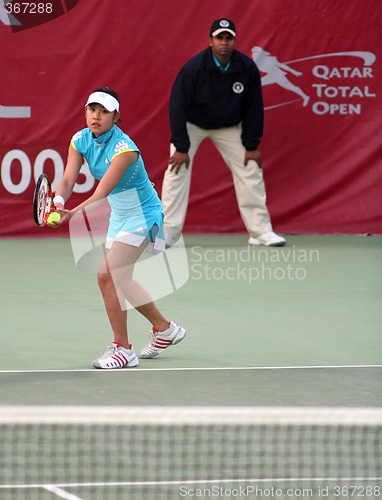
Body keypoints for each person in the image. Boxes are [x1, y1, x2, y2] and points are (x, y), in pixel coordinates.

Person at [50, 87, 186, 369]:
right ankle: (165, 329)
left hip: (144, 214)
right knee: (120, 279)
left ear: (116, 117)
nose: (96, 116)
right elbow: (67, 179)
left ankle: (123, 349)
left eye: (103, 111)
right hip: (120, 216)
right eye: (91, 109)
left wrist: (71, 212)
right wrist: (58, 200)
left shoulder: (125, 150)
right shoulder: (80, 140)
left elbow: (102, 191)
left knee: (106, 275)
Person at [162, 18, 286, 247]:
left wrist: (251, 145)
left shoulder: (247, 68)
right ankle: (168, 232)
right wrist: (181, 147)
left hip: (229, 127)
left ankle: (260, 232)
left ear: (235, 41)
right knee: (176, 170)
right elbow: (177, 106)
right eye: (219, 38)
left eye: (229, 38)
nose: (224, 42)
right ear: (210, 41)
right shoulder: (193, 68)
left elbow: (254, 108)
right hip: (193, 125)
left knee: (250, 168)